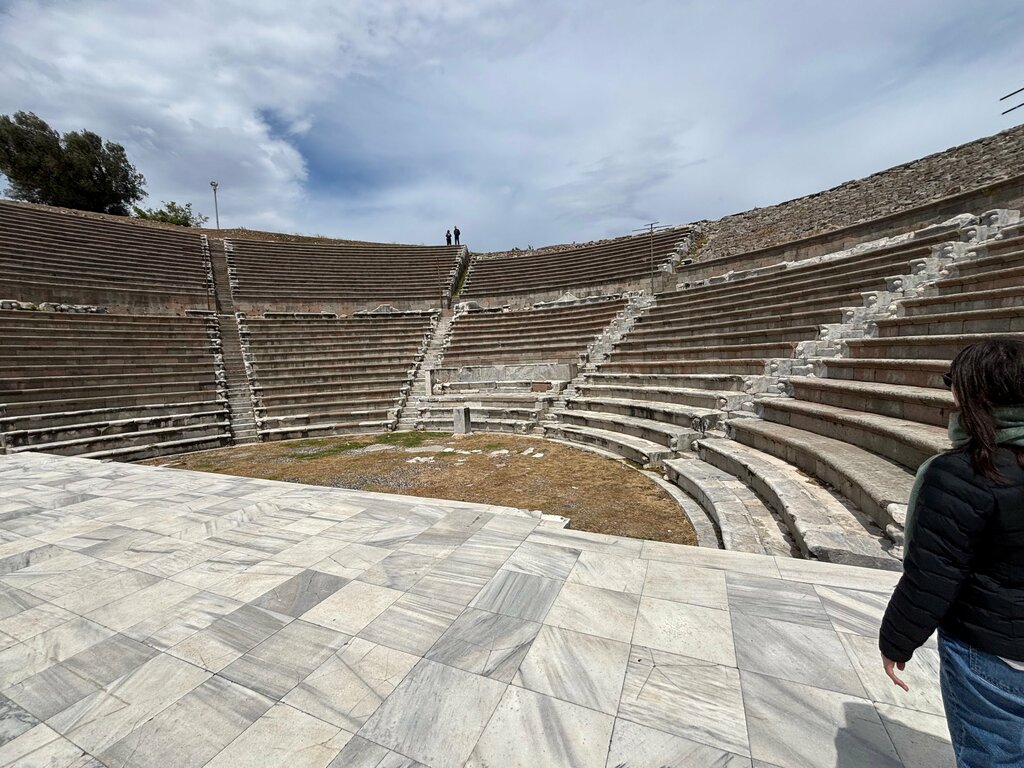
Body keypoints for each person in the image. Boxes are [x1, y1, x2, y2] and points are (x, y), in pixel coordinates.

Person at [879, 338, 1024, 768]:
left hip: (991, 650)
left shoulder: (963, 473)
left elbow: (934, 573)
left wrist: (896, 641)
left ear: (972, 395)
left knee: (992, 760)